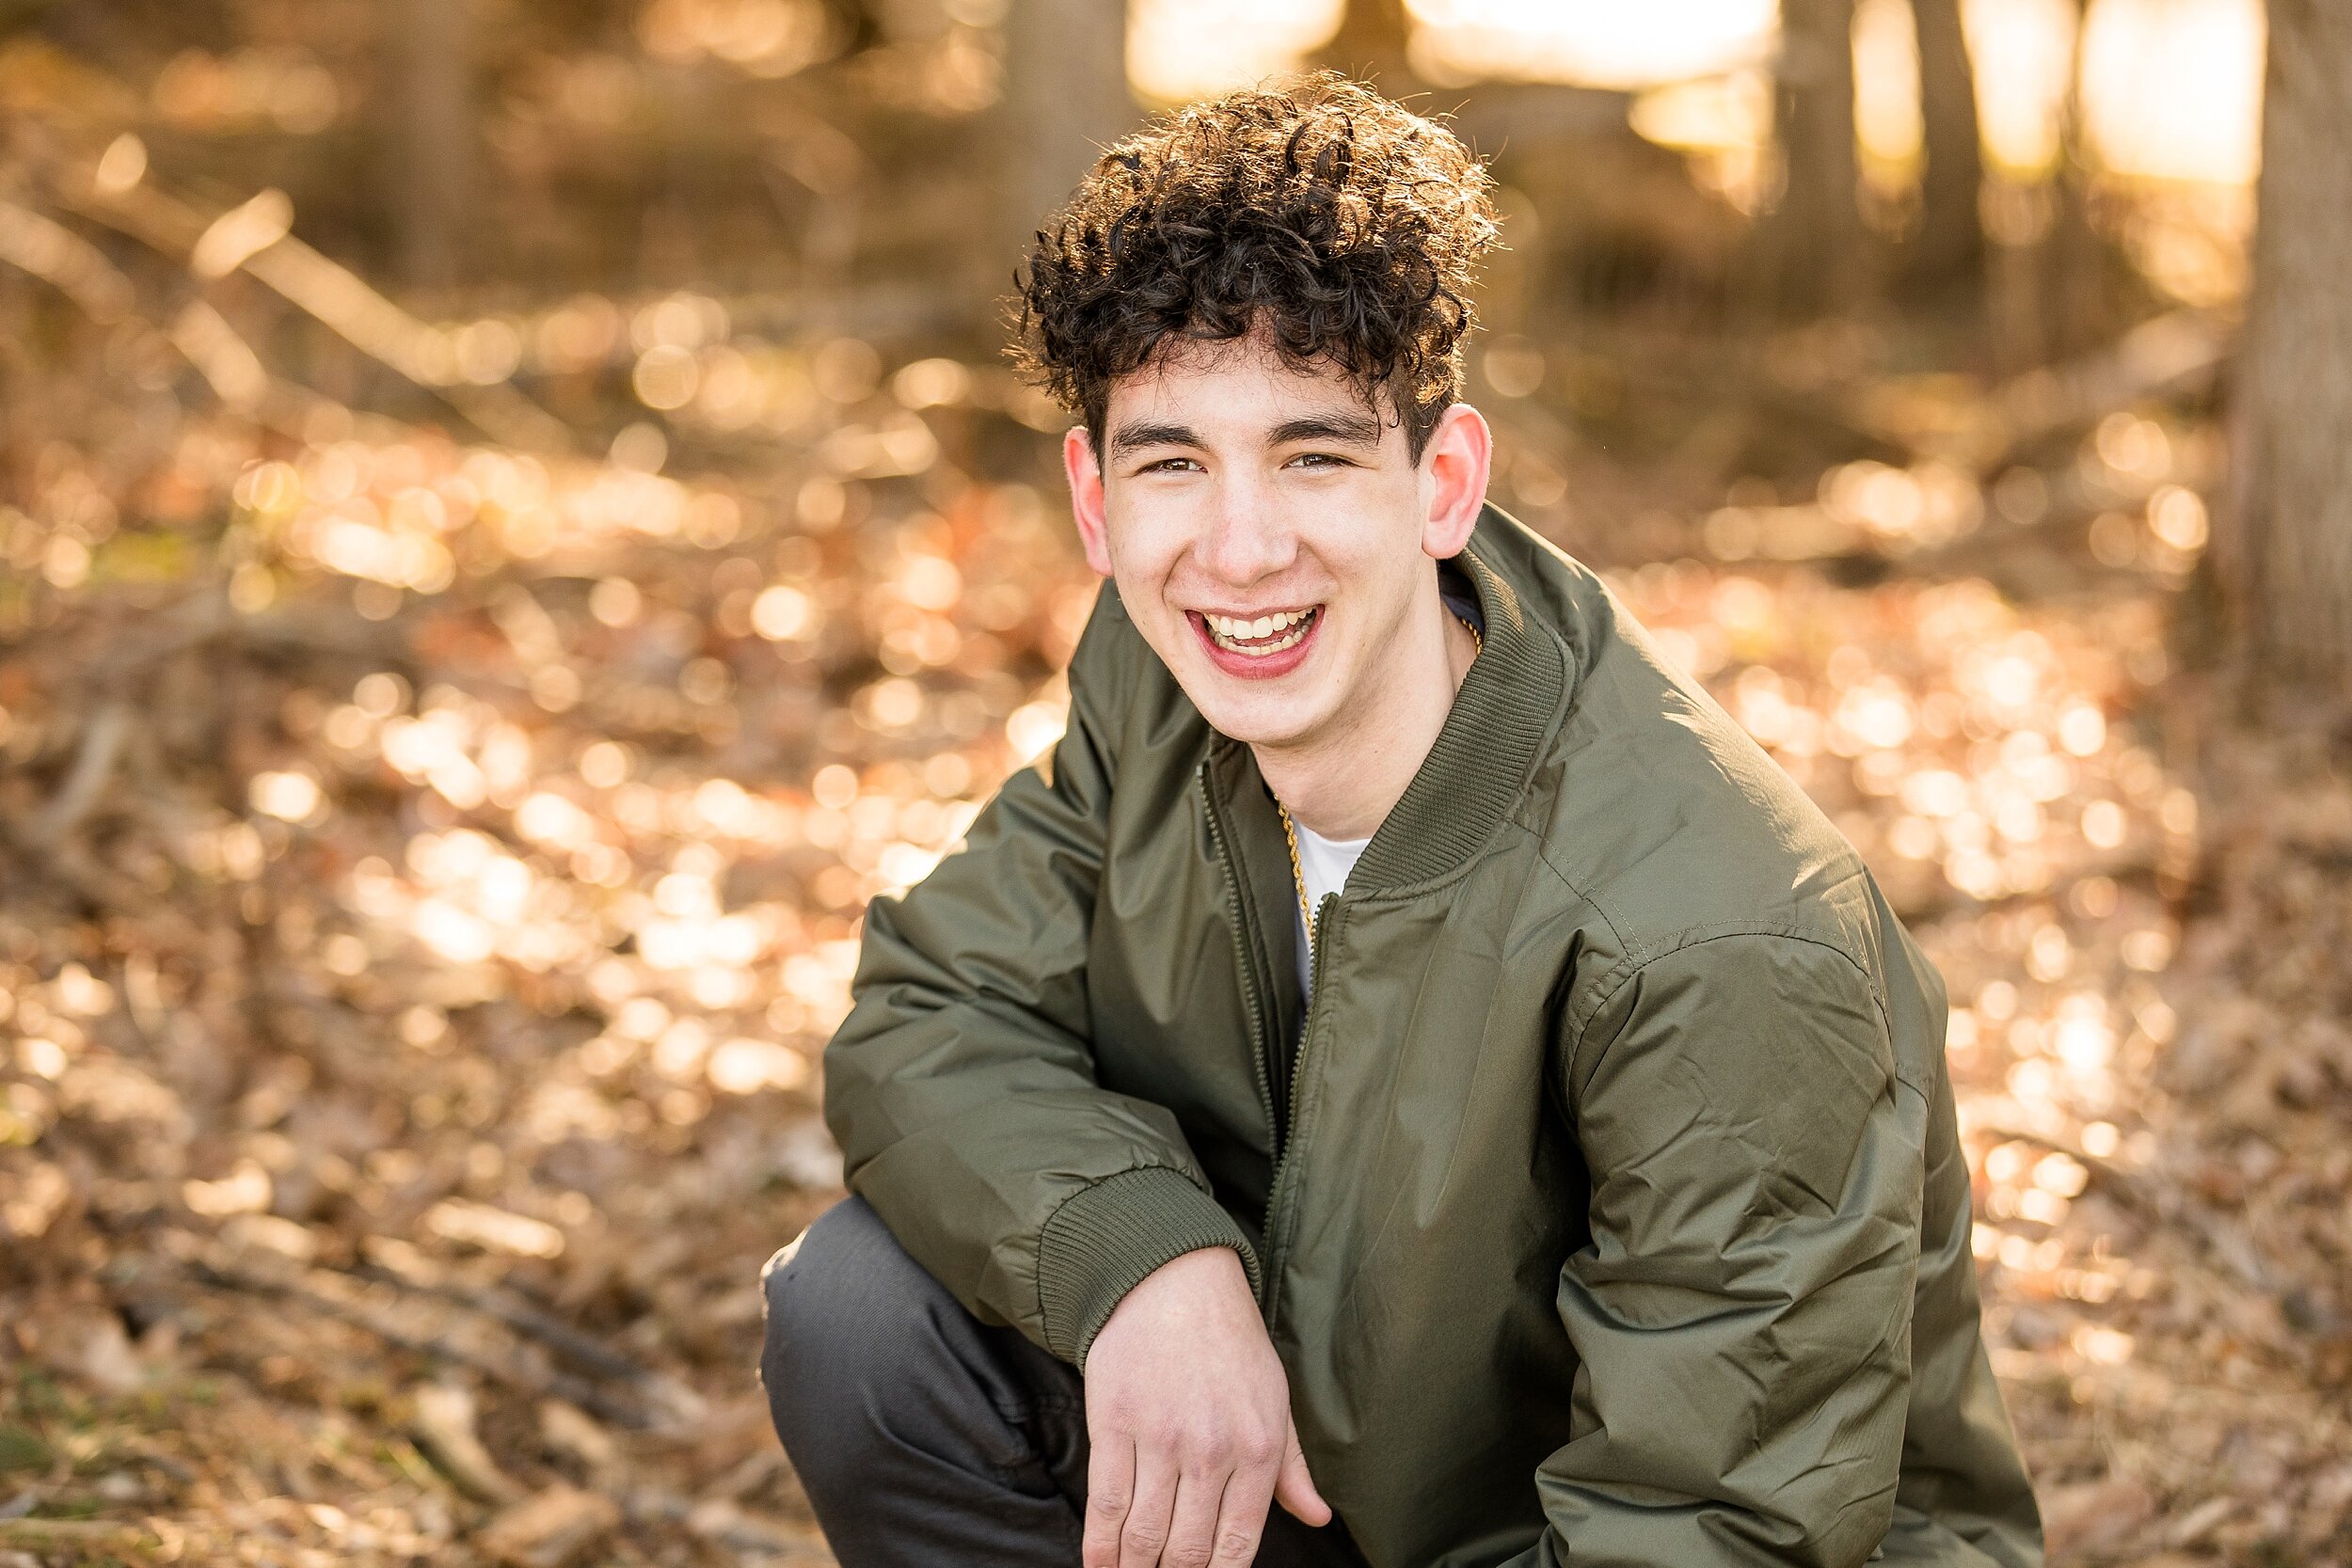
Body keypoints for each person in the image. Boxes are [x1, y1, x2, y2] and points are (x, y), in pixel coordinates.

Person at [759, 72, 2042, 1568]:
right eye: (1174, 462)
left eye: (1313, 453)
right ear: (1096, 505)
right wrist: (1146, 1262)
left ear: (1442, 484)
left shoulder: (1716, 930)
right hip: (1336, 1494)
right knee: (864, 1319)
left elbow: (1712, 1530)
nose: (1240, 551)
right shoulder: (1159, 685)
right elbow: (930, 1010)